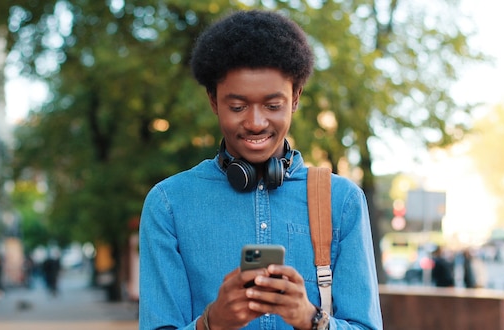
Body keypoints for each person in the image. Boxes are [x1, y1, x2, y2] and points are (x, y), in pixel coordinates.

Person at [139, 10, 382, 330]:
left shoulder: (343, 201)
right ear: (213, 101)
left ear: (295, 98)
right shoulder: (168, 204)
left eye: (272, 105)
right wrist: (211, 323)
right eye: (237, 107)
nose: (255, 123)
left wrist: (312, 319)